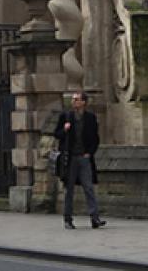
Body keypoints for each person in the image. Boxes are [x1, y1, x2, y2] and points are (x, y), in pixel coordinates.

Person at [53, 91, 105, 230]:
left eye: (76, 99)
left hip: (84, 158)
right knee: (69, 190)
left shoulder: (90, 118)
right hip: (69, 159)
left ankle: (95, 218)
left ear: (83, 102)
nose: (74, 102)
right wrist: (64, 130)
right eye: (73, 99)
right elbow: (56, 134)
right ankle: (68, 219)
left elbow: (95, 138)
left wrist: (90, 153)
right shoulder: (66, 116)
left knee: (89, 188)